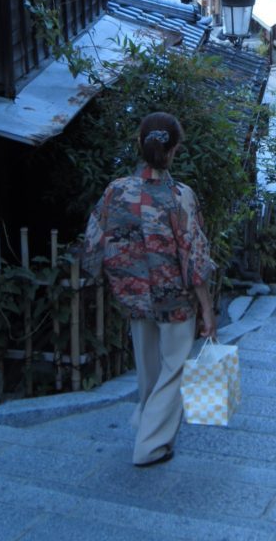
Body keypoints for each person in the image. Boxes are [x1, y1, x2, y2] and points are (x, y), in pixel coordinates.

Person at [83, 112, 216, 467]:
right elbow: (194, 253)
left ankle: (145, 421)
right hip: (174, 298)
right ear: (173, 150)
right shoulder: (179, 196)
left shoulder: (116, 190)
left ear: (140, 145)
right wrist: (206, 308)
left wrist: (106, 275)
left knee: (148, 367)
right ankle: (151, 445)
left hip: (132, 292)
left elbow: (94, 239)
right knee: (175, 369)